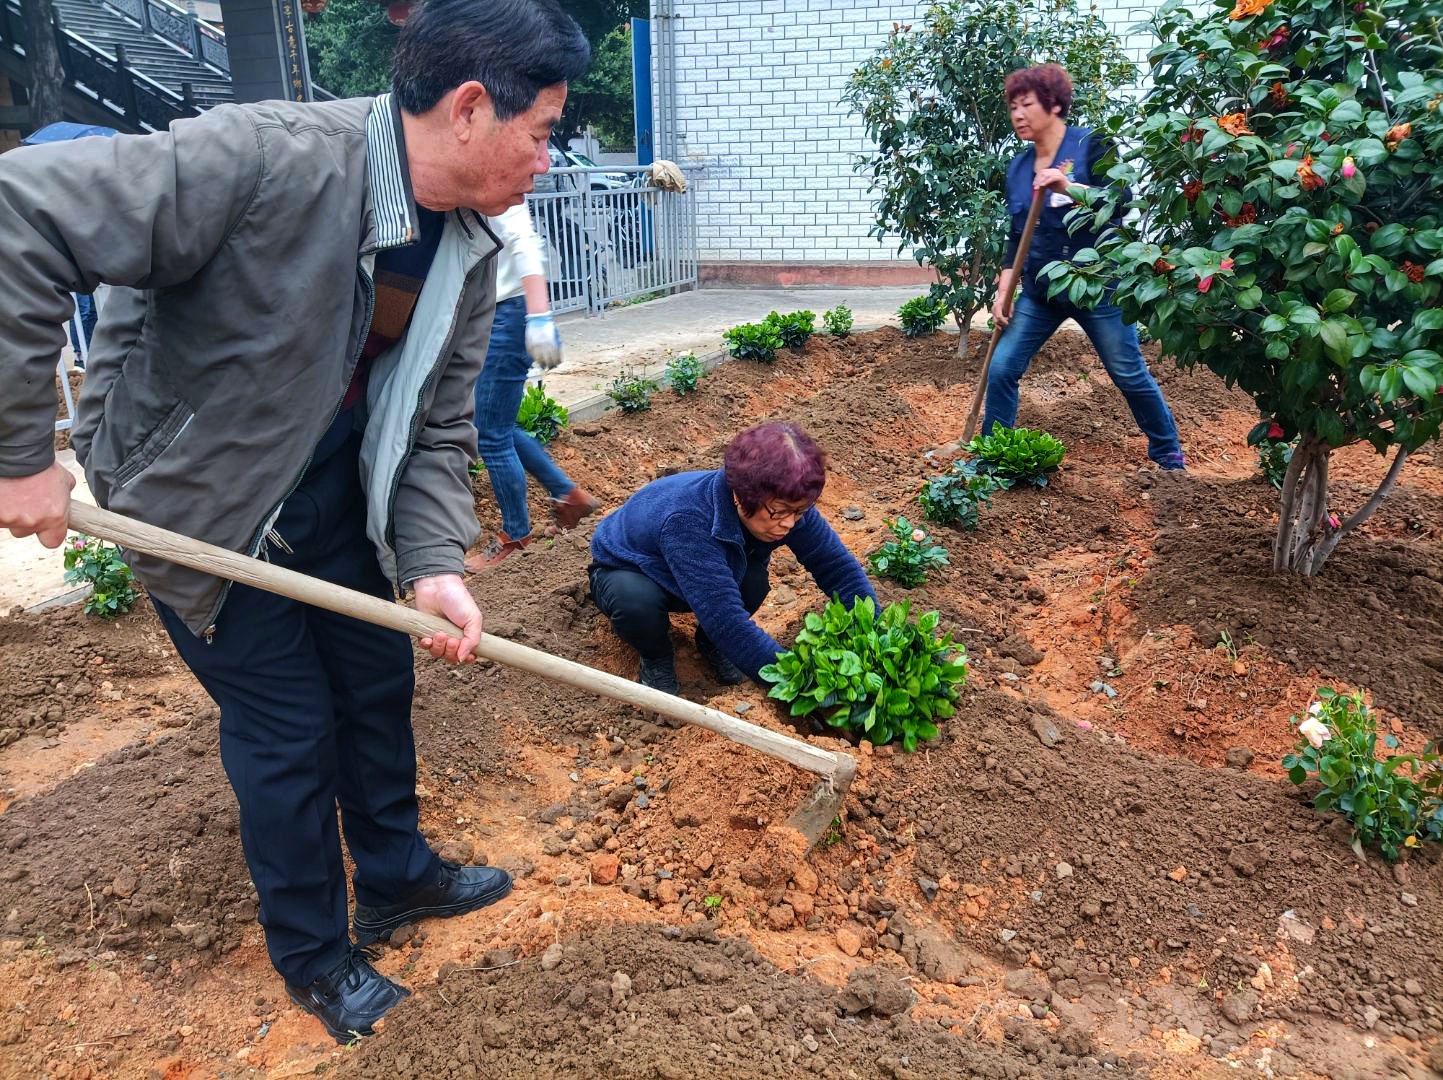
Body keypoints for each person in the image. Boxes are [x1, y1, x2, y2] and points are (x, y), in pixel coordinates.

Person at [0, 0, 589, 1042]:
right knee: (288, 736)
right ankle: (316, 960)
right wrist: (18, 454)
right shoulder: (266, 161)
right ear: (467, 109)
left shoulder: (468, 249)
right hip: (207, 509)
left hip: (335, 492)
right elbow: (22, 212)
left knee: (376, 680)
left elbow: (440, 427)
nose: (547, 158)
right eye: (541, 132)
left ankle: (399, 875)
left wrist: (432, 562)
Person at [974, 63, 1186, 470]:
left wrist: (1067, 186)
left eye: (1027, 104)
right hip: (1041, 290)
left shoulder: (1091, 144)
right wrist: (1004, 292)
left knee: (1127, 372)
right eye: (1013, 107)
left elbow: (1120, 203)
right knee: (1002, 368)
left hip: (1097, 284)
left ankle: (1167, 452)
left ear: (1053, 105)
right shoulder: (1019, 167)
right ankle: (991, 458)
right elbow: (1015, 238)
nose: (1018, 115)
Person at [589, 422, 878, 693]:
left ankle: (710, 644)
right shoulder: (687, 520)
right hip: (632, 568)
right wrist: (802, 686)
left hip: (698, 567)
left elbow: (836, 567)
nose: (790, 523)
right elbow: (726, 620)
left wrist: (876, 631)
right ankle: (656, 657)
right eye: (780, 512)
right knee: (636, 604)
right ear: (741, 495)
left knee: (753, 583)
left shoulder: (784, 502)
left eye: (800, 511)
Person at [465, 203, 599, 571]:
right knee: (496, 426)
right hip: (494, 311)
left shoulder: (495, 179)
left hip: (508, 313)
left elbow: (524, 241)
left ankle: (516, 536)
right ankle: (567, 495)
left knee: (491, 435)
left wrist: (539, 315)